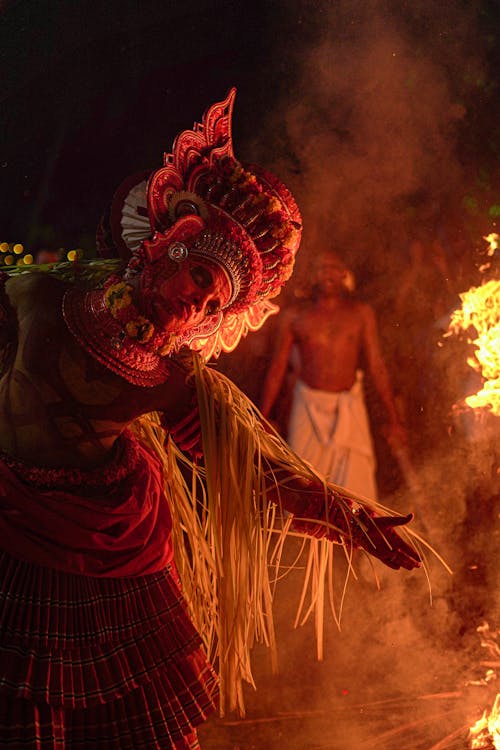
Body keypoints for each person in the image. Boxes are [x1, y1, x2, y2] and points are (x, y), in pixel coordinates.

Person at [0, 90, 421, 749]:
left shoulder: (170, 381)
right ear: (168, 247)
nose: (196, 307)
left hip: (110, 565)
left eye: (212, 304)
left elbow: (257, 475)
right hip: (10, 533)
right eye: (197, 277)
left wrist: (348, 518)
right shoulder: (38, 296)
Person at [260, 252, 406, 500]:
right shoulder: (295, 317)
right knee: (303, 487)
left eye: (334, 267)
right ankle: (303, 539)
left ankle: (354, 538)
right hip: (307, 405)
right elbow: (277, 370)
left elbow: (377, 366)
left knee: (358, 495)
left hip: (349, 406)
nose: (328, 273)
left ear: (344, 274)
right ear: (313, 276)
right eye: (321, 268)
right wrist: (262, 418)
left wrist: (394, 420)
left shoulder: (360, 314)